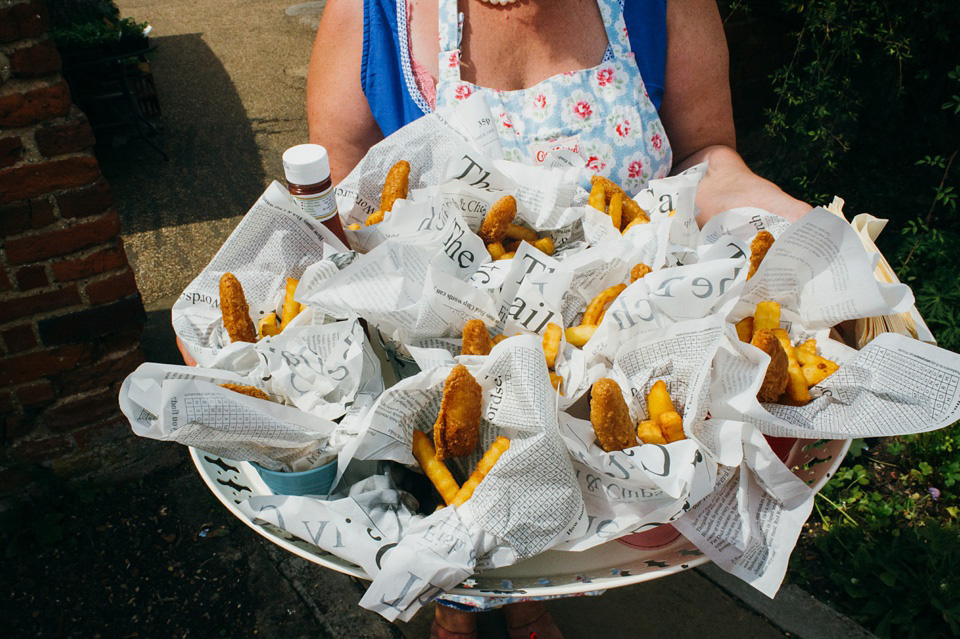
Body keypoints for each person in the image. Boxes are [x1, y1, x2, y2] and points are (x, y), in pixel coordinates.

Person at [306, 1, 811, 637]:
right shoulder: (372, 13)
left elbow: (707, 157)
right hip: (440, 367)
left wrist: (806, 229)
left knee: (560, 553)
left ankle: (526, 606)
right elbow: (337, 202)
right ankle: (458, 610)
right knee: (459, 517)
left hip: (634, 364)